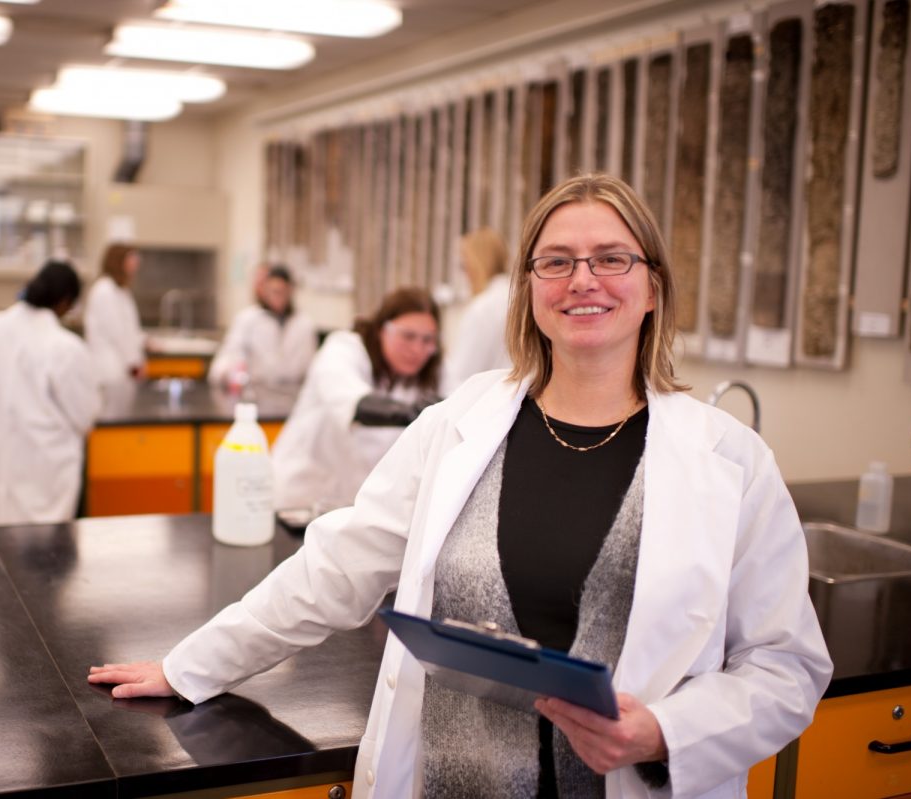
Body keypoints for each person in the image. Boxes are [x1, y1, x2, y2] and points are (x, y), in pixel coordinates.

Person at [89, 175, 831, 798]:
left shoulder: (730, 461)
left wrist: (665, 730)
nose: (583, 280)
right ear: (530, 287)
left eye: (612, 258)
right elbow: (335, 568)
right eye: (556, 261)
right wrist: (188, 666)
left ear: (652, 287)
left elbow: (786, 666)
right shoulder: (462, 423)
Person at [270, 286, 441, 511]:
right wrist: (410, 413)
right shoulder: (344, 349)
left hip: (353, 507)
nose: (417, 349)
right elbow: (353, 403)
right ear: (382, 330)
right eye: (408, 336)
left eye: (428, 340)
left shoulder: (429, 373)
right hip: (299, 500)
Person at [0, 260, 101, 526]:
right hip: (43, 482)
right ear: (65, 302)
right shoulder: (65, 348)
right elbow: (85, 416)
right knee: (41, 561)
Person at [207, 264, 317, 387]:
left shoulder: (304, 324)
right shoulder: (248, 320)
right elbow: (229, 356)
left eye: (282, 291)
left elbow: (310, 366)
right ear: (265, 290)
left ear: (290, 291)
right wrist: (227, 373)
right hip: (256, 391)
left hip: (291, 393)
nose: (278, 296)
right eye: (274, 291)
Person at [442, 227, 512, 395]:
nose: (464, 273)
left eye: (463, 264)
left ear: (475, 263)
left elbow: (460, 376)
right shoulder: (518, 297)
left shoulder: (483, 308)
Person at [84, 243, 146, 385]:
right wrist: (133, 364)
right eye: (132, 258)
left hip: (120, 368)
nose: (137, 262)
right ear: (118, 261)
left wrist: (143, 340)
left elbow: (129, 329)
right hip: (110, 369)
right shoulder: (105, 290)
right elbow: (117, 332)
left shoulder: (120, 290)